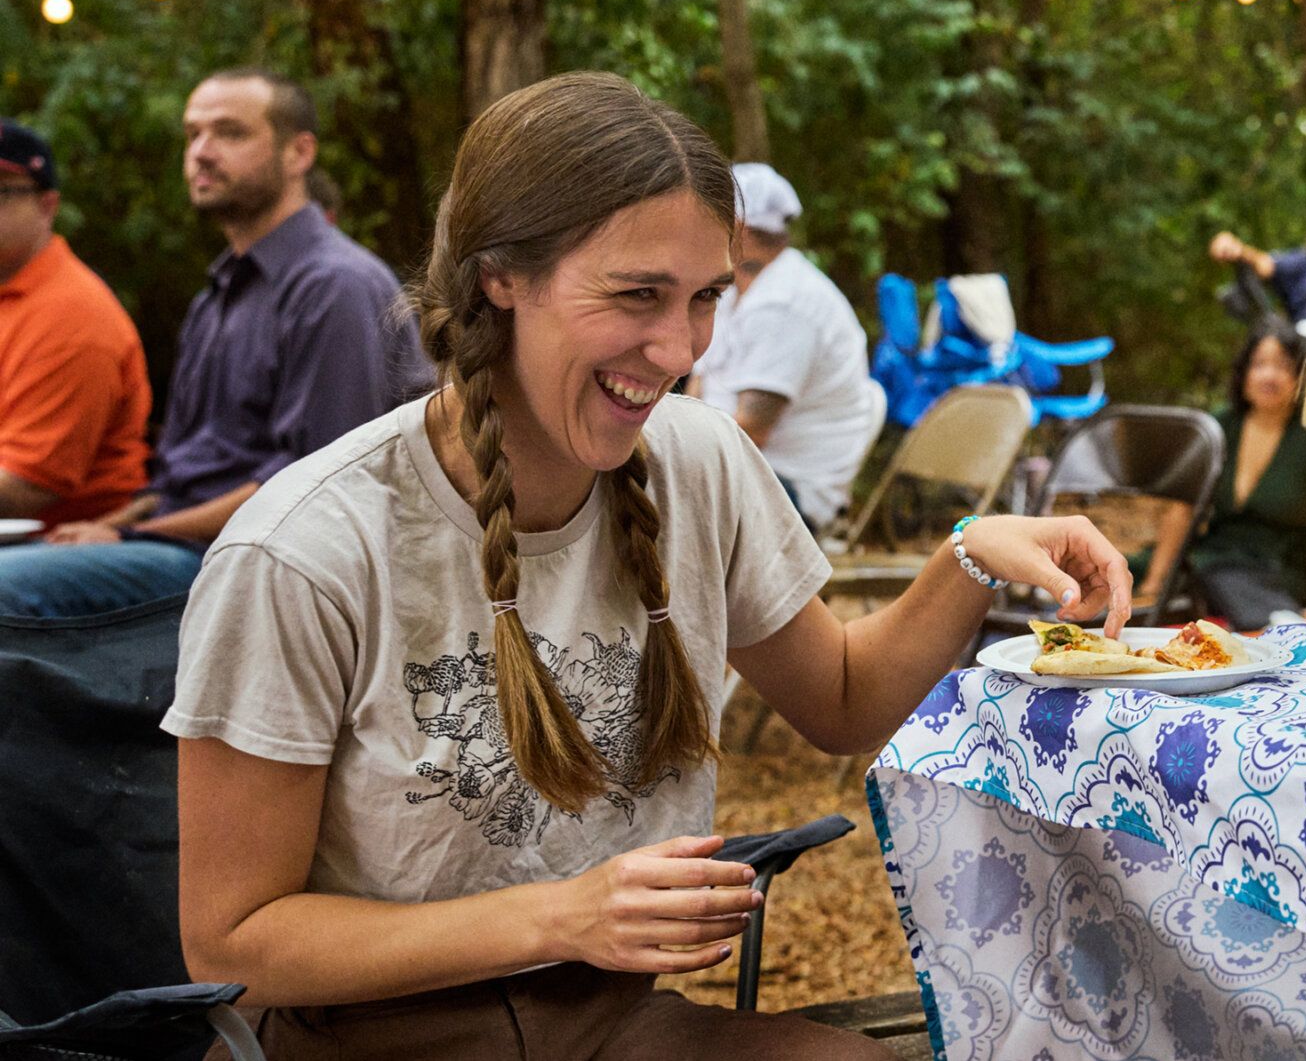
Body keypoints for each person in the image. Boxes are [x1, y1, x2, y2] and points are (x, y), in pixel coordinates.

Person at [164, 73, 1133, 1057]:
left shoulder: (699, 463)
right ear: (500, 275)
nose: (677, 348)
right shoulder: (303, 550)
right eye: (636, 295)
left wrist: (970, 557)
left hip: (614, 1021)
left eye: (707, 297)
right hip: (359, 1042)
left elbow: (839, 698)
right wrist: (560, 916)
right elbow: (231, 939)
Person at [0, 69, 428, 619]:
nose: (201, 152)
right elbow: (185, 475)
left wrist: (133, 536)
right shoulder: (219, 293)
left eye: (229, 133)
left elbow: (314, 486)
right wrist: (113, 526)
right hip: (182, 544)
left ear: (299, 153)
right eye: (192, 134)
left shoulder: (334, 284)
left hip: (262, 562)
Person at [685, 163, 885, 530]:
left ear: (739, 228)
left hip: (786, 488)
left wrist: (669, 452)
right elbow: (698, 390)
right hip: (735, 466)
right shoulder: (733, 291)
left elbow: (750, 431)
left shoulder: (786, 305)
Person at [1138, 322, 1306, 630]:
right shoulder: (1221, 425)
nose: (1269, 376)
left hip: (1284, 569)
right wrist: (1154, 584)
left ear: (1301, 376)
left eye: (1283, 366)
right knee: (1127, 567)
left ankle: (1284, 626)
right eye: (1260, 364)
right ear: (1244, 374)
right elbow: (1182, 508)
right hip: (1215, 557)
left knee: (1220, 577)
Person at [0, 119, 150, 528]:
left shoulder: (71, 314)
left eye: (1, 192)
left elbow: (25, 489)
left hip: (70, 544)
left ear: (48, 206)